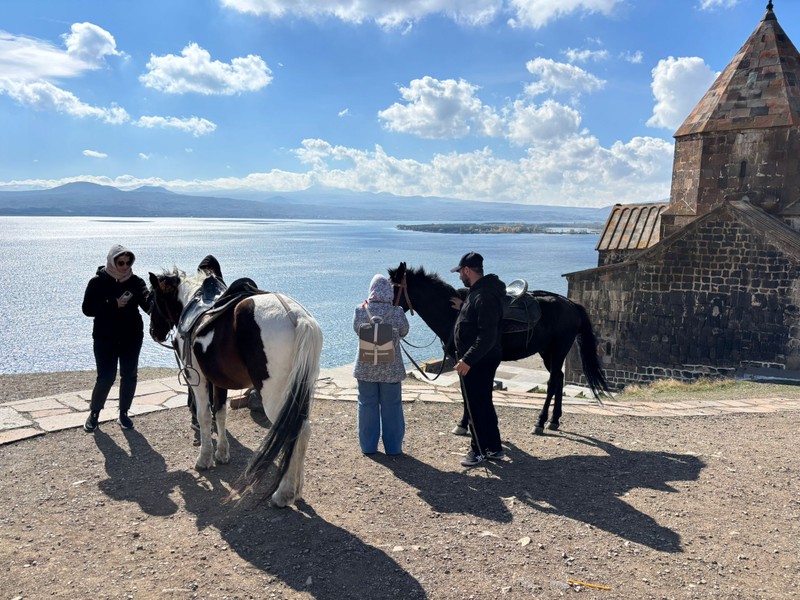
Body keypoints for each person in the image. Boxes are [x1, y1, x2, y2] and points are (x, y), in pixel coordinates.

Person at [82, 244, 151, 432]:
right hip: (105, 338)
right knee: (106, 377)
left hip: (132, 336)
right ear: (112, 261)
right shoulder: (97, 282)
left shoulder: (136, 282)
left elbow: (148, 305)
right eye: (121, 262)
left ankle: (123, 413)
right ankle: (94, 413)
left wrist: (160, 298)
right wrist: (113, 304)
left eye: (129, 263)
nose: (125, 266)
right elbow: (87, 309)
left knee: (129, 375)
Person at [450, 252, 506, 467]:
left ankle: (479, 450)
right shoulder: (480, 293)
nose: (459, 278)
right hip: (481, 359)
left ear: (467, 271)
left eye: (460, 272)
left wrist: (467, 360)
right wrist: (463, 308)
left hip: (479, 360)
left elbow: (487, 335)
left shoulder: (483, 296)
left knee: (476, 405)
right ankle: (494, 448)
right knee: (483, 402)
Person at [352, 274, 410, 455]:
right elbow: (404, 331)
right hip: (391, 368)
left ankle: (368, 447)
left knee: (367, 405)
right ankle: (393, 448)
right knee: (392, 406)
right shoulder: (398, 312)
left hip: (366, 367)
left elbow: (357, 330)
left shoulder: (361, 311)